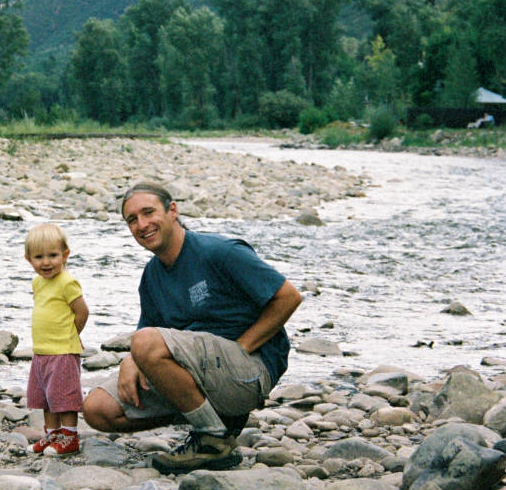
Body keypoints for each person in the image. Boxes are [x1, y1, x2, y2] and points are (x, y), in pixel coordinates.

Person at [83, 182, 302, 474]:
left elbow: (288, 296)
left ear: (172, 210)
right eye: (132, 219)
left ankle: (213, 439)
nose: (142, 224)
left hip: (249, 370)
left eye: (148, 212)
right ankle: (213, 418)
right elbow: (147, 335)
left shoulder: (220, 252)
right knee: (97, 409)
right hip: (196, 372)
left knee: (146, 344)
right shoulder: (151, 276)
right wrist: (130, 360)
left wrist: (244, 347)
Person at [25, 223, 89, 456]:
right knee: (46, 398)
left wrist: (72, 335)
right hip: (42, 351)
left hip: (62, 350)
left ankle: (69, 436)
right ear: (28, 259)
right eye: (39, 257)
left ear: (65, 255)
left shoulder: (66, 282)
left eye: (53, 255)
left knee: (64, 396)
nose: (46, 262)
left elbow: (82, 311)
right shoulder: (37, 283)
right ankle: (52, 435)